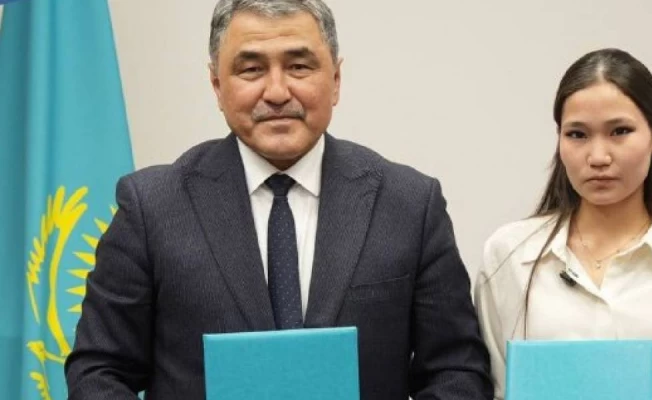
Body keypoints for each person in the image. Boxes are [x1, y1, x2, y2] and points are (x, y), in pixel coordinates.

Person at [64, 0, 492, 398]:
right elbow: (99, 370)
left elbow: (457, 370)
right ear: (217, 85)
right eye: (251, 69)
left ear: (336, 80)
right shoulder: (152, 207)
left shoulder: (410, 204)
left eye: (299, 66)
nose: (276, 92)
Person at [474, 48, 652, 399]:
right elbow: (485, 389)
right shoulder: (509, 255)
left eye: (620, 131)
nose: (598, 157)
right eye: (577, 134)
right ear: (559, 138)